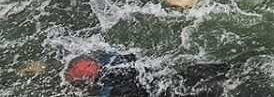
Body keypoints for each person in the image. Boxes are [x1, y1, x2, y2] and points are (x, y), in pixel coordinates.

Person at [64, 53, 234, 97]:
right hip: (177, 71)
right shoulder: (116, 58)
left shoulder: (110, 92)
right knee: (230, 71)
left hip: (172, 91)